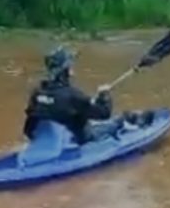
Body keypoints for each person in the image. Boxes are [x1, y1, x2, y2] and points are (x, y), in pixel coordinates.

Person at [24, 45, 152, 145]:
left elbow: (29, 129)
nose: (72, 69)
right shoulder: (73, 95)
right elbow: (104, 114)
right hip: (78, 139)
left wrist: (88, 102)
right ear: (65, 70)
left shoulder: (37, 92)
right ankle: (129, 121)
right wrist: (104, 96)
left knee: (84, 119)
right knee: (120, 120)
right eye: (70, 66)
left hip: (53, 139)